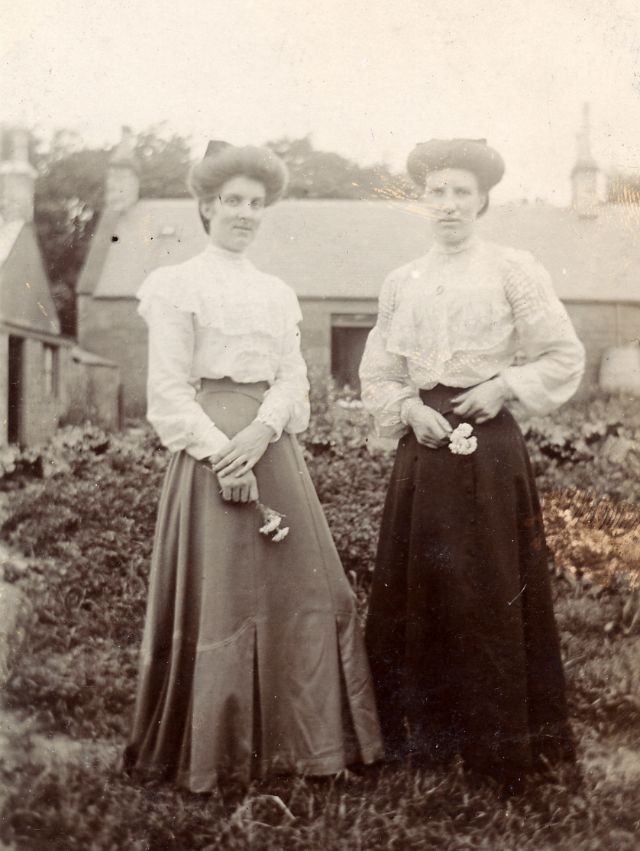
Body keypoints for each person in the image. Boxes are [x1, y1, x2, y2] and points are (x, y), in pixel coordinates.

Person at [125, 141, 383, 792]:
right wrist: (223, 456)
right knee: (225, 599)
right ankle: (219, 754)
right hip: (209, 456)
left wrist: (264, 430)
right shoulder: (177, 285)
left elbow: (292, 377)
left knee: (311, 593)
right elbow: (168, 392)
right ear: (207, 206)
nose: (244, 213)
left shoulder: (276, 293)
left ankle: (310, 746)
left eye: (256, 203)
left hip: (273, 453)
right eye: (232, 200)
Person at [359, 138, 585, 791]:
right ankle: (421, 740)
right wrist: (409, 408)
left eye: (462, 192)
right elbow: (379, 371)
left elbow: (562, 355)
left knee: (489, 586)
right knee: (420, 585)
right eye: (438, 192)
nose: (450, 204)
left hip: (489, 445)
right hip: (424, 450)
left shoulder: (512, 269)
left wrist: (504, 386)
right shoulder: (402, 281)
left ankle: (499, 744)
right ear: (422, 200)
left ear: (482, 200)